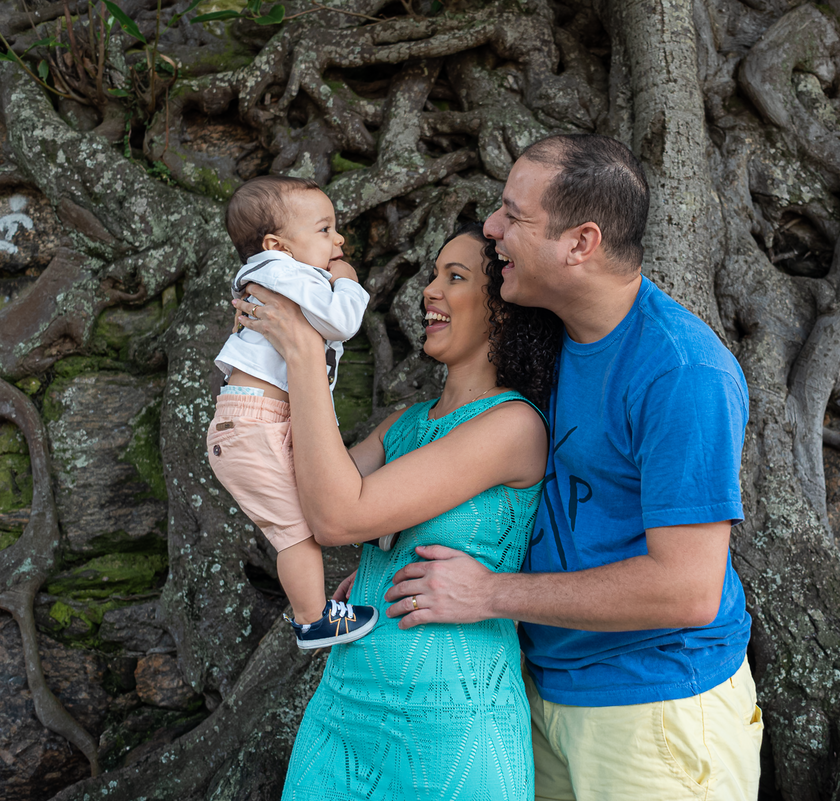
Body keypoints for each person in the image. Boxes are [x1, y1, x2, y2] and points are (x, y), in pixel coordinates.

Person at [383, 134, 764, 800]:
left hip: (655, 710)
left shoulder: (682, 372)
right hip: (537, 692)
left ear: (580, 243)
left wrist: (488, 593)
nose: (491, 229)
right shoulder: (542, 338)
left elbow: (688, 589)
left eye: (513, 215)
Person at [233, 222, 563, 800]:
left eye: (454, 277)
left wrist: (306, 353)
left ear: (503, 309)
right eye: (433, 275)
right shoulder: (404, 424)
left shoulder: (513, 426)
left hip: (452, 722)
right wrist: (259, 369)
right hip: (343, 704)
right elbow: (309, 506)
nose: (429, 290)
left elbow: (339, 517)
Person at [207, 174, 378, 650]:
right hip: (254, 422)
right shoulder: (283, 273)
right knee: (296, 533)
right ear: (276, 245)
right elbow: (342, 321)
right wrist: (348, 282)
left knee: (309, 517)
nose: (338, 240)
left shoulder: (281, 277)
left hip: (260, 420)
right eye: (324, 230)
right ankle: (312, 620)